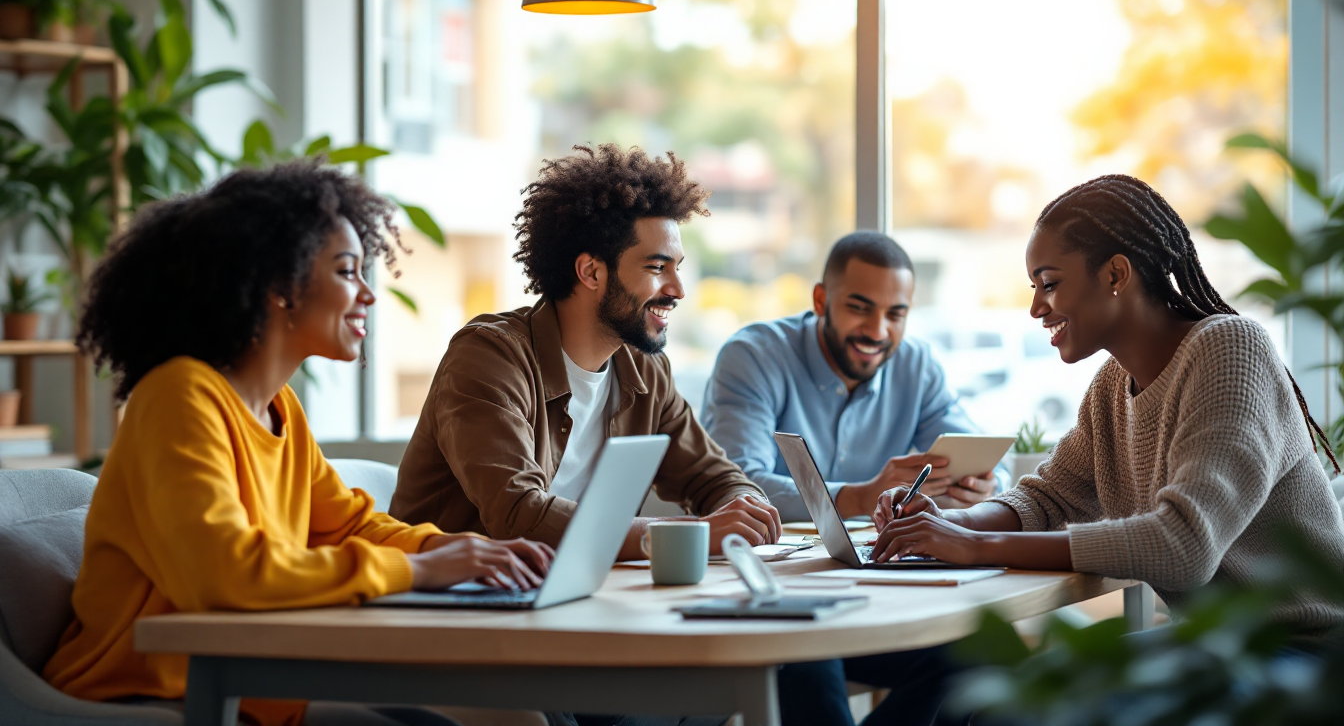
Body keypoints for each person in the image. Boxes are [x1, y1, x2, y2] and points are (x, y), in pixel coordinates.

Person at [44, 161, 554, 726]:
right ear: (280, 286)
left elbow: (349, 525)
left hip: (256, 679)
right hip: (150, 693)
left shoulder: (280, 408)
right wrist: (420, 571)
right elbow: (223, 576)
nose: (368, 295)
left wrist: (450, 552)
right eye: (346, 271)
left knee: (515, 715)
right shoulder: (178, 396)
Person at [871, 174, 1344, 640]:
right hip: (1216, 646)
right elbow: (1048, 498)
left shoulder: (1229, 349)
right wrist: (944, 523)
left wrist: (976, 546)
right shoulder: (1113, 387)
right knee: (982, 700)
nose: (1037, 308)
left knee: (1007, 708)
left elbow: (1184, 545)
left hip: (1301, 652)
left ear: (1116, 274)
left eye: (1049, 283)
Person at [390, 143, 780, 563]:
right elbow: (520, 516)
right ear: (591, 272)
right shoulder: (489, 357)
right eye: (656, 268)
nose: (677, 290)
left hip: (570, 597)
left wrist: (745, 508)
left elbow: (712, 477)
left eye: (677, 267)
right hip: (454, 608)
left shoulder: (644, 370)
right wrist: (696, 532)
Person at [702, 231, 1008, 525]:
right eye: (859, 308)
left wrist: (986, 487)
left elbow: (991, 464)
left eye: (895, 315)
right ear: (821, 300)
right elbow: (734, 487)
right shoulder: (753, 357)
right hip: (768, 560)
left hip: (876, 559)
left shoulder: (917, 367)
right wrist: (860, 498)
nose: (878, 331)